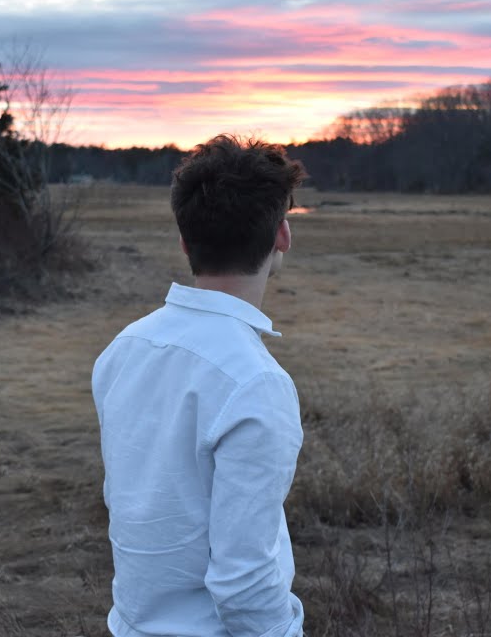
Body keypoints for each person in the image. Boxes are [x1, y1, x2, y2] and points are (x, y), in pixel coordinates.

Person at [91, 134, 308, 637]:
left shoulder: (124, 348)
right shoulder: (256, 383)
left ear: (185, 242)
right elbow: (245, 583)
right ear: (282, 236)